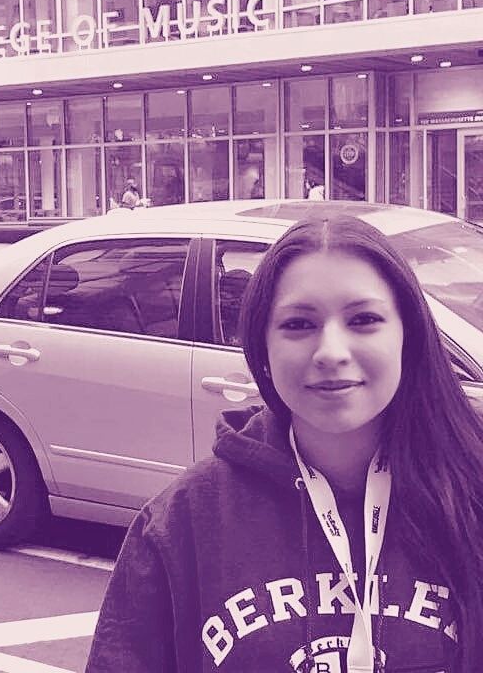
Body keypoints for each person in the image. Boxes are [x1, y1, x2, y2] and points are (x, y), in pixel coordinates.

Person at [85, 214, 483, 672]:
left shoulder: (469, 491)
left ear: (406, 336)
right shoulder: (183, 522)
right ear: (263, 348)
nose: (331, 351)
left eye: (364, 319)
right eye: (298, 324)